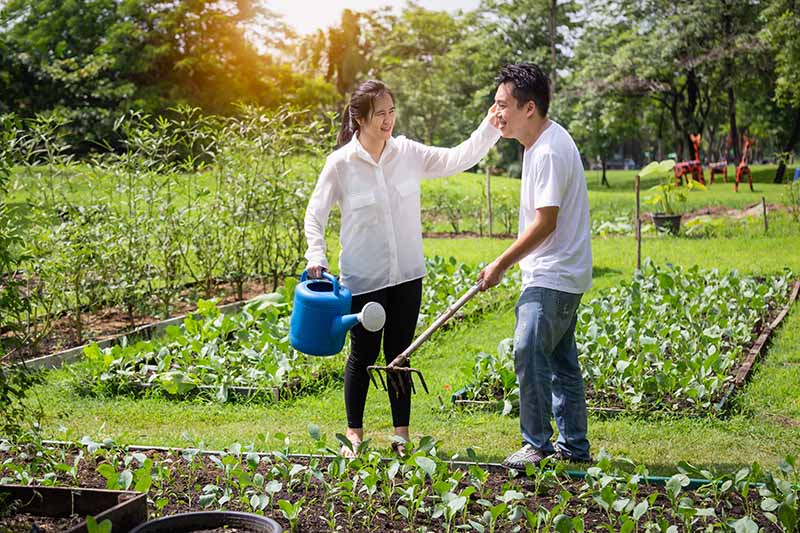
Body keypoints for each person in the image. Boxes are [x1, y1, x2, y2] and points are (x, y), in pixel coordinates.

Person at [304, 79, 501, 457]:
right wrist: (317, 256)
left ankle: (401, 436)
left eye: (392, 111)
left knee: (399, 355)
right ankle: (354, 434)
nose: (389, 120)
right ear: (359, 119)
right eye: (380, 114)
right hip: (363, 279)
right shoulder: (341, 164)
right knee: (362, 354)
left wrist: (489, 126)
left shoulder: (408, 153)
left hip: (408, 276)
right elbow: (315, 214)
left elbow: (457, 157)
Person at [478, 63, 593, 468]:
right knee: (561, 362)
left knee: (528, 350)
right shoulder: (541, 141)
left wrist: (500, 264)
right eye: (495, 105)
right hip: (563, 272)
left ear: (529, 108)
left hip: (554, 273)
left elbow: (546, 222)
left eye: (502, 105)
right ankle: (575, 449)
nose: (496, 113)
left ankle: (537, 445)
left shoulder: (547, 151)